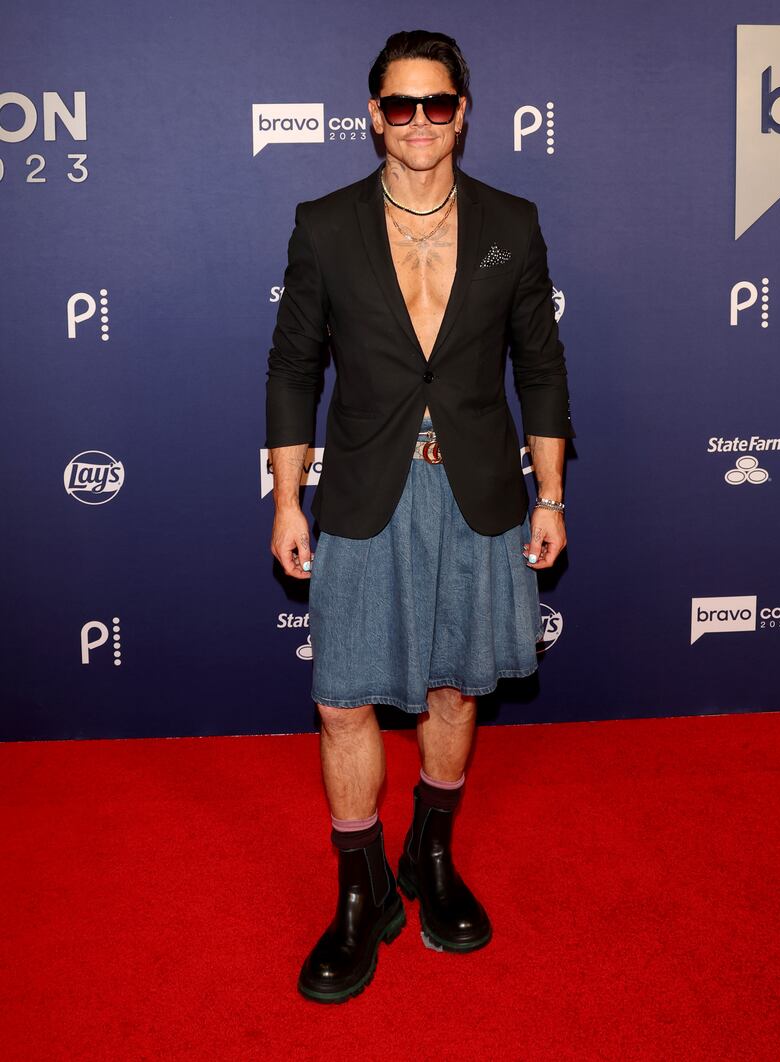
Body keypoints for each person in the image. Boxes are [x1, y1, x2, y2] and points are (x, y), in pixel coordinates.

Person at [265, 29, 576, 1003]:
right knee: (341, 699)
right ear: (373, 115)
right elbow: (293, 369)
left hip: (476, 489)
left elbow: (540, 367)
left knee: (454, 689)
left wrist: (551, 494)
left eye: (435, 104)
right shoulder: (324, 225)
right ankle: (361, 891)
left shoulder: (511, 222)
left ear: (461, 112)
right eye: (398, 105)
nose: (417, 123)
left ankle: (427, 856)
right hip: (366, 487)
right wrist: (287, 499)